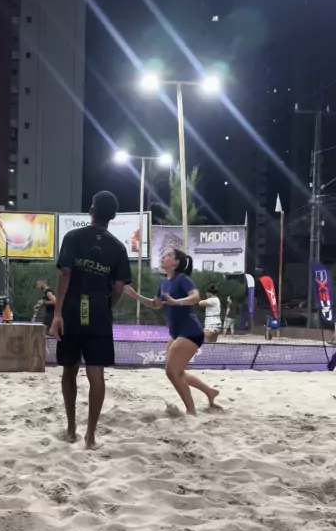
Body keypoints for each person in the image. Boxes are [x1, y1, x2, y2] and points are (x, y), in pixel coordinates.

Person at [51, 191, 131, 450]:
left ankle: (71, 430)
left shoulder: (73, 237)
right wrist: (107, 307)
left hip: (72, 311)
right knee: (96, 374)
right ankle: (91, 437)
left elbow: (65, 274)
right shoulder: (118, 248)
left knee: (69, 370)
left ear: (91, 210)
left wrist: (57, 314)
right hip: (98, 314)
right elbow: (119, 288)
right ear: (113, 217)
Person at [125, 250, 219, 416]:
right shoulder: (163, 283)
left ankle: (191, 411)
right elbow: (155, 304)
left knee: (172, 372)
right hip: (176, 333)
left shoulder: (182, 279)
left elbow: (195, 297)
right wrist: (135, 296)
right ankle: (209, 391)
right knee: (178, 372)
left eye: (168, 255)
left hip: (190, 331)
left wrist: (177, 302)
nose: (163, 257)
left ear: (176, 262)